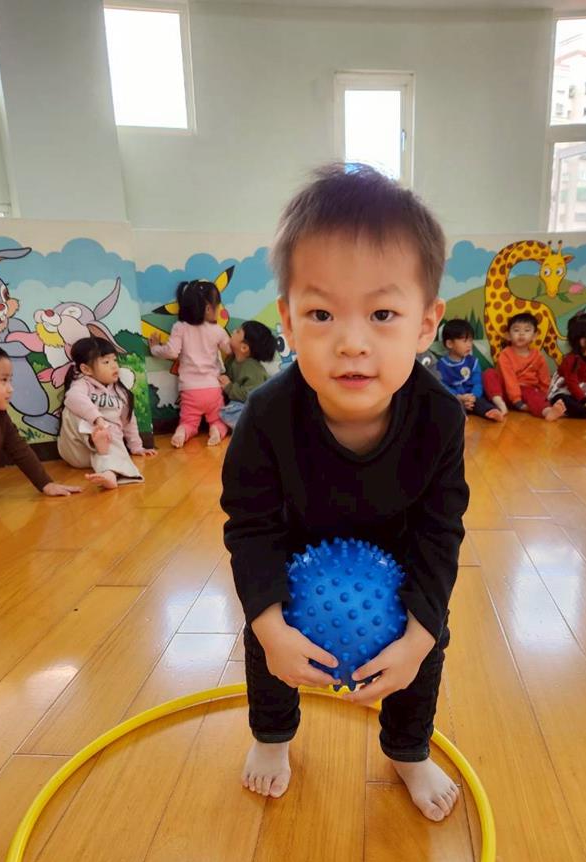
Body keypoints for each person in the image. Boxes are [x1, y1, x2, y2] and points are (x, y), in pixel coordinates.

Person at [221, 164, 470, 822]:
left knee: (427, 641)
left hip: (400, 552)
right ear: (288, 321)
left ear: (426, 324)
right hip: (295, 548)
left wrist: (420, 634)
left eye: (383, 314)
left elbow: (441, 531)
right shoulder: (265, 417)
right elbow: (249, 527)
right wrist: (270, 625)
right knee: (265, 633)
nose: (352, 343)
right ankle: (272, 736)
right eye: (322, 313)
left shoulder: (440, 417)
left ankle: (408, 749)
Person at [0, 338, 79, 529]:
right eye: (3, 380)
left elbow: (19, 449)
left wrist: (45, 484)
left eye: (10, 380)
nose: (10, 389)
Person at [58, 336, 156, 489]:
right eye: (106, 362)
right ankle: (98, 441)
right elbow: (72, 398)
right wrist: (97, 419)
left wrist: (137, 446)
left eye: (115, 360)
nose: (114, 366)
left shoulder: (120, 393)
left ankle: (109, 474)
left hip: (106, 451)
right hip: (77, 451)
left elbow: (128, 421)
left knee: (111, 431)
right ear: (86, 369)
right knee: (73, 409)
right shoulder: (82, 384)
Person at [149, 280, 231, 446]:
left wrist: (154, 348)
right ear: (208, 309)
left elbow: (172, 352)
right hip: (213, 389)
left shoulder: (180, 327)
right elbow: (229, 350)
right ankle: (216, 430)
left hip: (190, 390)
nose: (219, 310)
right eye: (217, 306)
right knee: (218, 420)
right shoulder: (218, 331)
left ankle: (182, 432)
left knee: (189, 422)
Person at [483, 313, 566, 421]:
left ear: (535, 335)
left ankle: (547, 411)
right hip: (505, 393)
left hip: (527, 391)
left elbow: (544, 379)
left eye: (527, 330)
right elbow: (509, 379)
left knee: (534, 395)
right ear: (508, 335)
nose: (521, 334)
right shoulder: (505, 354)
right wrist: (516, 400)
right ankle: (501, 406)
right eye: (516, 330)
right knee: (489, 373)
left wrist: (544, 396)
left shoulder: (538, 356)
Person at [436, 318, 505, 422]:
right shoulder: (441, 365)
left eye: (470, 340)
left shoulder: (473, 362)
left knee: (482, 402)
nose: (469, 345)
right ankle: (460, 415)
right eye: (464, 341)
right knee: (447, 404)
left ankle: (491, 411)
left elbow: (478, 382)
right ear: (450, 344)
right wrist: (458, 397)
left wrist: (473, 397)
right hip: (456, 398)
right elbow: (443, 385)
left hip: (473, 398)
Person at [219, 320, 277, 430]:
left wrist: (229, 387)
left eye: (238, 331)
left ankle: (255, 427)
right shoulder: (231, 360)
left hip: (258, 405)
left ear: (244, 348)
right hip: (241, 403)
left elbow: (250, 396)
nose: (233, 331)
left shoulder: (253, 369)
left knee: (234, 410)